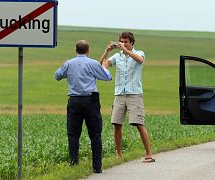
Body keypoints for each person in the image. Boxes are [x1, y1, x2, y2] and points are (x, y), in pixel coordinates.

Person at [54, 40, 112, 173]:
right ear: (88, 50)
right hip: (91, 101)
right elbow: (107, 77)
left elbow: (57, 76)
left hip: (74, 101)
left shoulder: (69, 63)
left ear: (76, 50)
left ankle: (74, 164)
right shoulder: (92, 63)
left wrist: (64, 65)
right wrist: (104, 68)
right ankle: (97, 167)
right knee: (95, 134)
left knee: (73, 134)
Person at [99, 31, 155, 163]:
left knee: (139, 123)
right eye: (121, 42)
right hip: (119, 93)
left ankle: (149, 153)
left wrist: (125, 50)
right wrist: (106, 51)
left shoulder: (139, 53)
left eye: (126, 42)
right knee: (116, 124)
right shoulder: (117, 56)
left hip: (134, 93)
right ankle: (119, 155)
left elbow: (140, 60)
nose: (123, 44)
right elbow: (100, 65)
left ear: (132, 43)